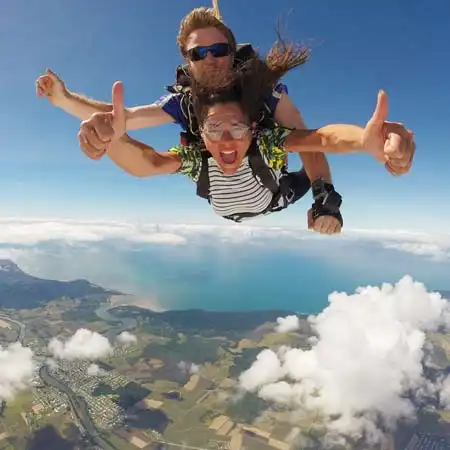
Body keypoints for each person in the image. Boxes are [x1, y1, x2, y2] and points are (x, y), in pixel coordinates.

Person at [35, 5, 344, 234]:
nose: (209, 58)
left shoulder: (266, 93)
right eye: (199, 53)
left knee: (294, 152)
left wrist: (324, 197)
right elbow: (122, 119)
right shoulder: (184, 103)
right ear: (188, 61)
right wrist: (65, 100)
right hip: (221, 195)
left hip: (274, 192)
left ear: (232, 53)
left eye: (219, 49)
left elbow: (310, 142)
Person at [77, 42, 414, 227]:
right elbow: (147, 162)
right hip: (254, 199)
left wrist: (363, 141)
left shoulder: (266, 142)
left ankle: (324, 198)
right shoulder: (198, 157)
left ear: (253, 129)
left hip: (277, 195)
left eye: (236, 128)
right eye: (213, 129)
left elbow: (320, 139)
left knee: (307, 160)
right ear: (202, 135)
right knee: (301, 150)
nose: (225, 140)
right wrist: (113, 140)